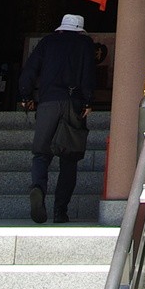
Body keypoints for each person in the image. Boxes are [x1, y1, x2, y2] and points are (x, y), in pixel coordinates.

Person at [19, 12, 98, 223]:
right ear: (80, 29)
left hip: (48, 103)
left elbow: (30, 69)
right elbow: (89, 73)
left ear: (61, 27)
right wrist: (89, 101)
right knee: (69, 159)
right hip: (74, 104)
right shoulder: (85, 44)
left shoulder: (48, 42)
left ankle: (38, 188)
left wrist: (26, 95)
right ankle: (60, 211)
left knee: (41, 154)